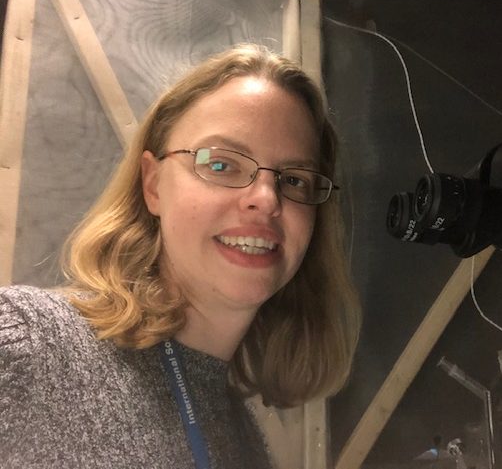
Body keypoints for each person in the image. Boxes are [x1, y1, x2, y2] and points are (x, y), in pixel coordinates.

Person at [0, 44, 361, 469]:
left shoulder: (243, 435)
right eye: (222, 164)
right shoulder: (25, 345)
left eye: (295, 180)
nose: (266, 199)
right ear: (153, 185)